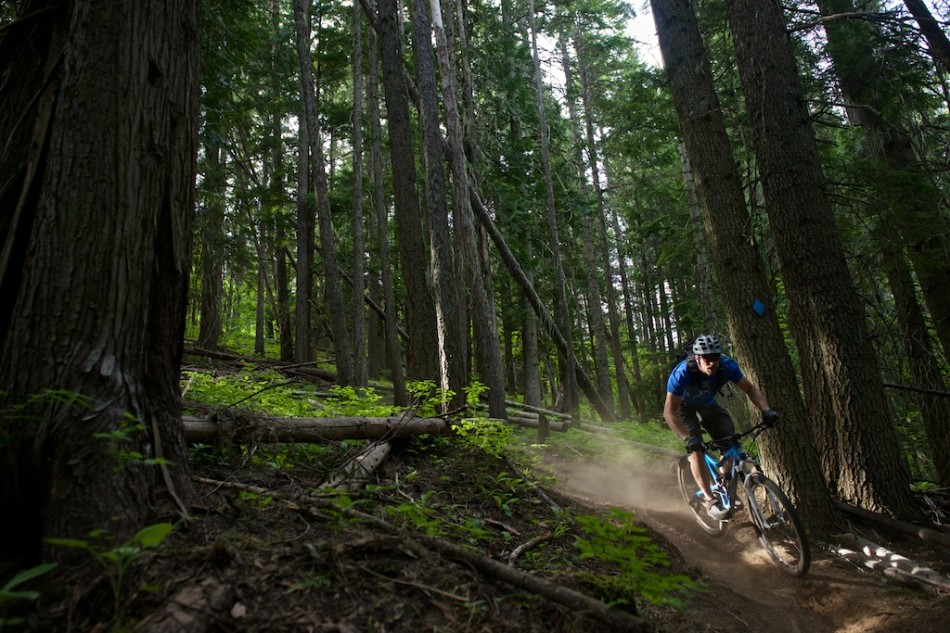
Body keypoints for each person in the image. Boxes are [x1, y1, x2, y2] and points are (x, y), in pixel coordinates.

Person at [664, 334, 780, 520]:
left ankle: (725, 486)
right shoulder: (682, 374)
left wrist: (766, 410)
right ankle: (710, 501)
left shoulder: (727, 366)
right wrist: (688, 439)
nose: (712, 363)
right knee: (696, 450)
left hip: (708, 405)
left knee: (730, 444)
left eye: (715, 358)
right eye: (707, 359)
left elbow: (750, 388)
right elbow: (669, 412)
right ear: (697, 358)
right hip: (682, 409)